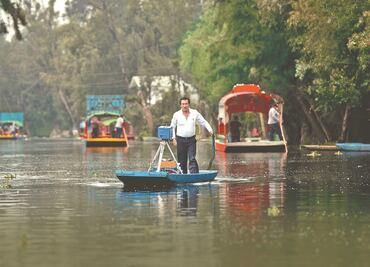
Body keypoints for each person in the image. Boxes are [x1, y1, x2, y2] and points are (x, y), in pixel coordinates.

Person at [170, 97, 213, 174]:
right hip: (180, 140)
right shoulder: (176, 114)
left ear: (189, 104)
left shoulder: (195, 113)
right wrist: (173, 138)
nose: (184, 105)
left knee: (192, 158)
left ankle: (194, 175)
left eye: (186, 104)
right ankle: (183, 175)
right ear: (180, 105)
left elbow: (203, 122)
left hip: (191, 140)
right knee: (182, 160)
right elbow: (172, 127)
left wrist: (210, 130)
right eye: (183, 104)